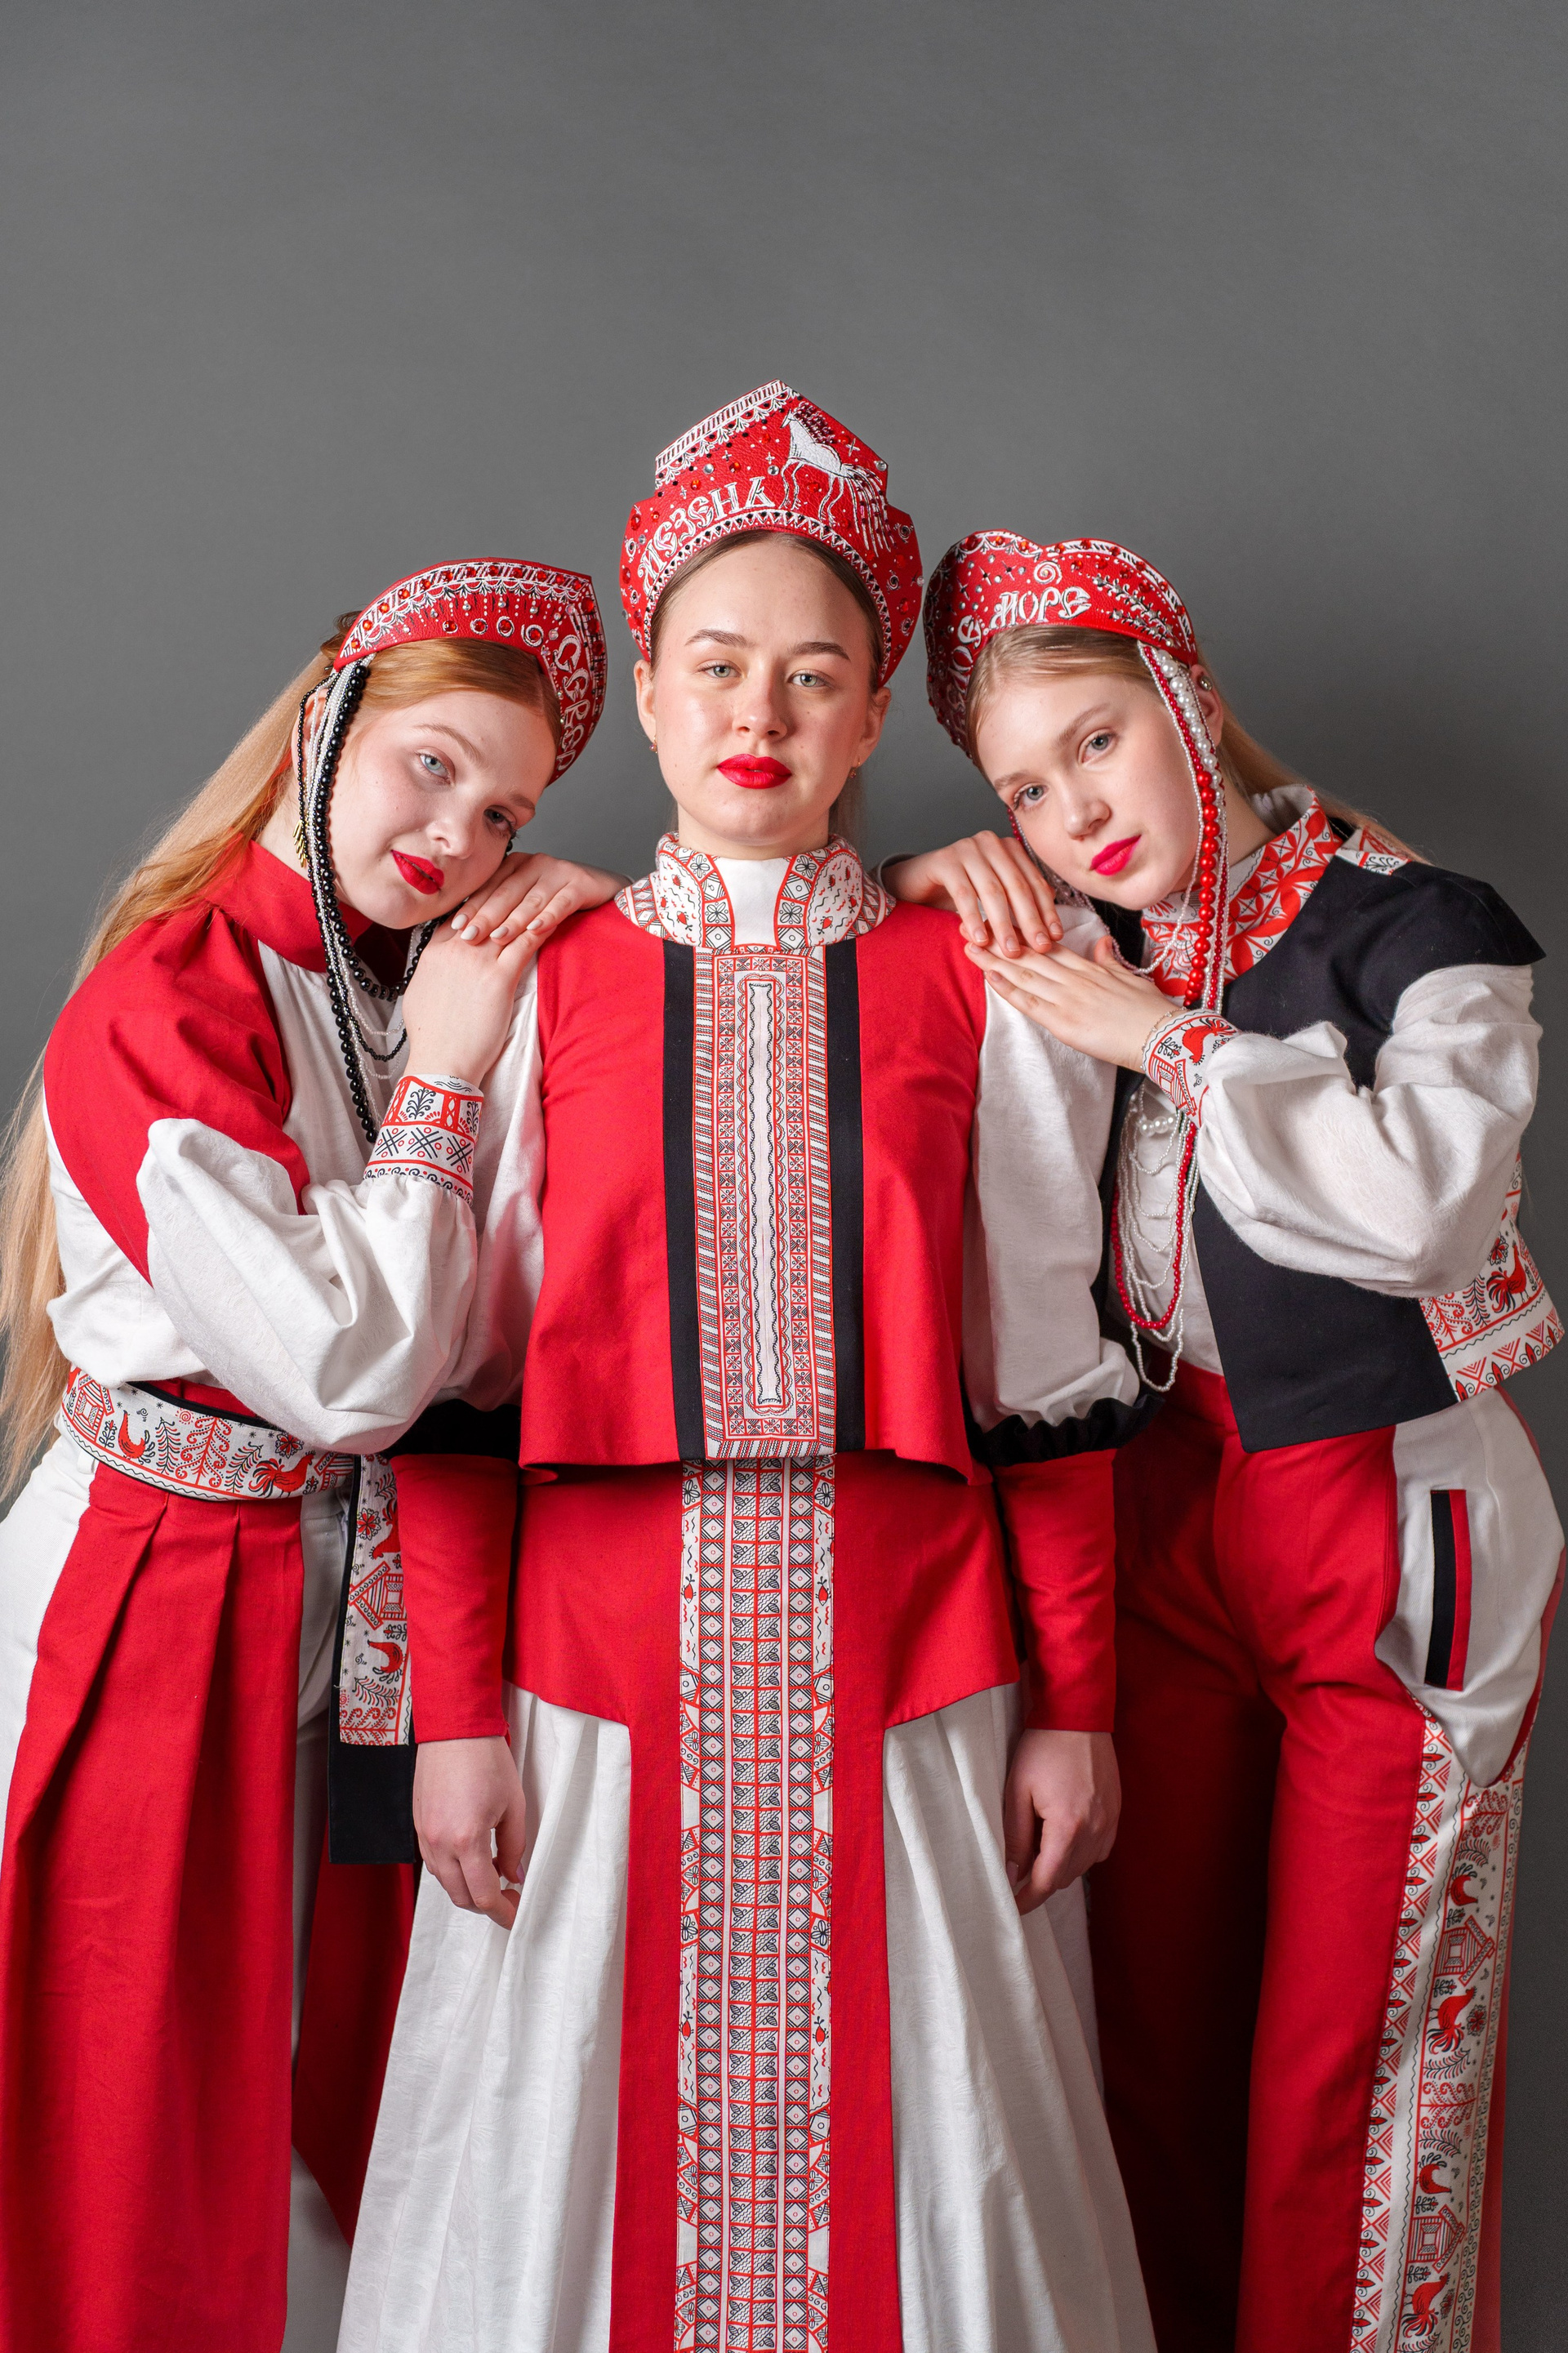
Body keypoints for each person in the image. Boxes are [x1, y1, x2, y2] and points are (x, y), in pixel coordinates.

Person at [335, 386, 1157, 2352]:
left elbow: (1046, 1373)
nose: (759, 716)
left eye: (813, 677)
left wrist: (1077, 1702)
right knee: (564, 2138)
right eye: (715, 666)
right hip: (591, 1685)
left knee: (941, 2146)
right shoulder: (529, 977)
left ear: (872, 722)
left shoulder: (985, 978)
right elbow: (454, 1377)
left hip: (912, 1666)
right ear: (644, 690)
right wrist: (454, 1713)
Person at [907, 532, 1564, 2353]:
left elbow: (1422, 1208)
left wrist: (1173, 1043)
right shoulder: (1085, 931)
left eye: (1096, 741)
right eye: (1025, 790)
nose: (1075, 812)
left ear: (1186, 701)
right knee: (1153, 2025)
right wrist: (922, 869)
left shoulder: (1422, 927)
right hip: (1164, 1504)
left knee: (1354, 2062)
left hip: (1392, 1507)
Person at [0, 559, 622, 2353]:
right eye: (433, 766)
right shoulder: (168, 996)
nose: (458, 836)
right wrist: (443, 1085)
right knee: (133, 2102)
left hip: (351, 1600)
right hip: (153, 1595)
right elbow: (353, 1368)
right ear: (326, 727)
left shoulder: (398, 979)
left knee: (342, 2094)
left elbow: (465, 1335)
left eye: (505, 812)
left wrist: (582, 936)